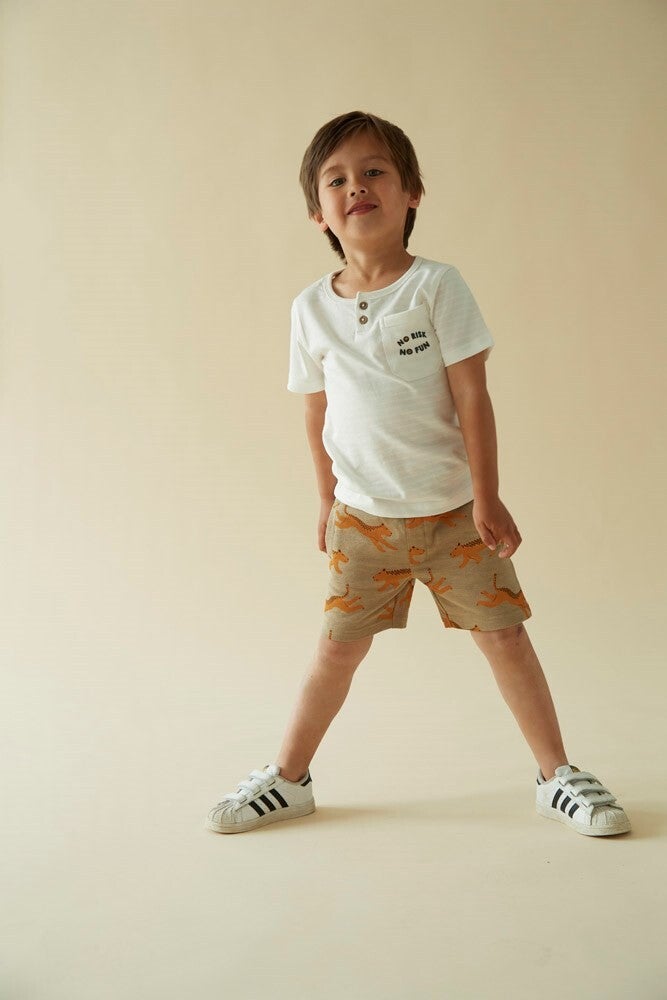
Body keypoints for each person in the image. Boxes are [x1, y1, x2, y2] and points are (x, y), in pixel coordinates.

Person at [205, 111, 631, 838]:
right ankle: (289, 778)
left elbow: (472, 396)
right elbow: (315, 413)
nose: (357, 187)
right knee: (335, 649)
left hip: (453, 516)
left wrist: (488, 496)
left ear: (411, 195)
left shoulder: (437, 286)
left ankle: (556, 775)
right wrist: (325, 500)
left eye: (374, 171)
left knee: (505, 639)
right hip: (362, 522)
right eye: (337, 179)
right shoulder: (310, 309)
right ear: (318, 213)